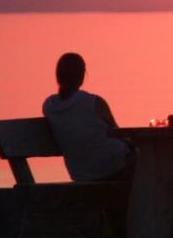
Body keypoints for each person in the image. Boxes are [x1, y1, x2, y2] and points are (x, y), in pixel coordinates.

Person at [42, 52, 133, 182]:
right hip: (113, 166)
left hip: (80, 173)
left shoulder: (49, 106)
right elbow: (118, 133)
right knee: (148, 159)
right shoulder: (94, 102)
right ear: (82, 76)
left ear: (58, 76)